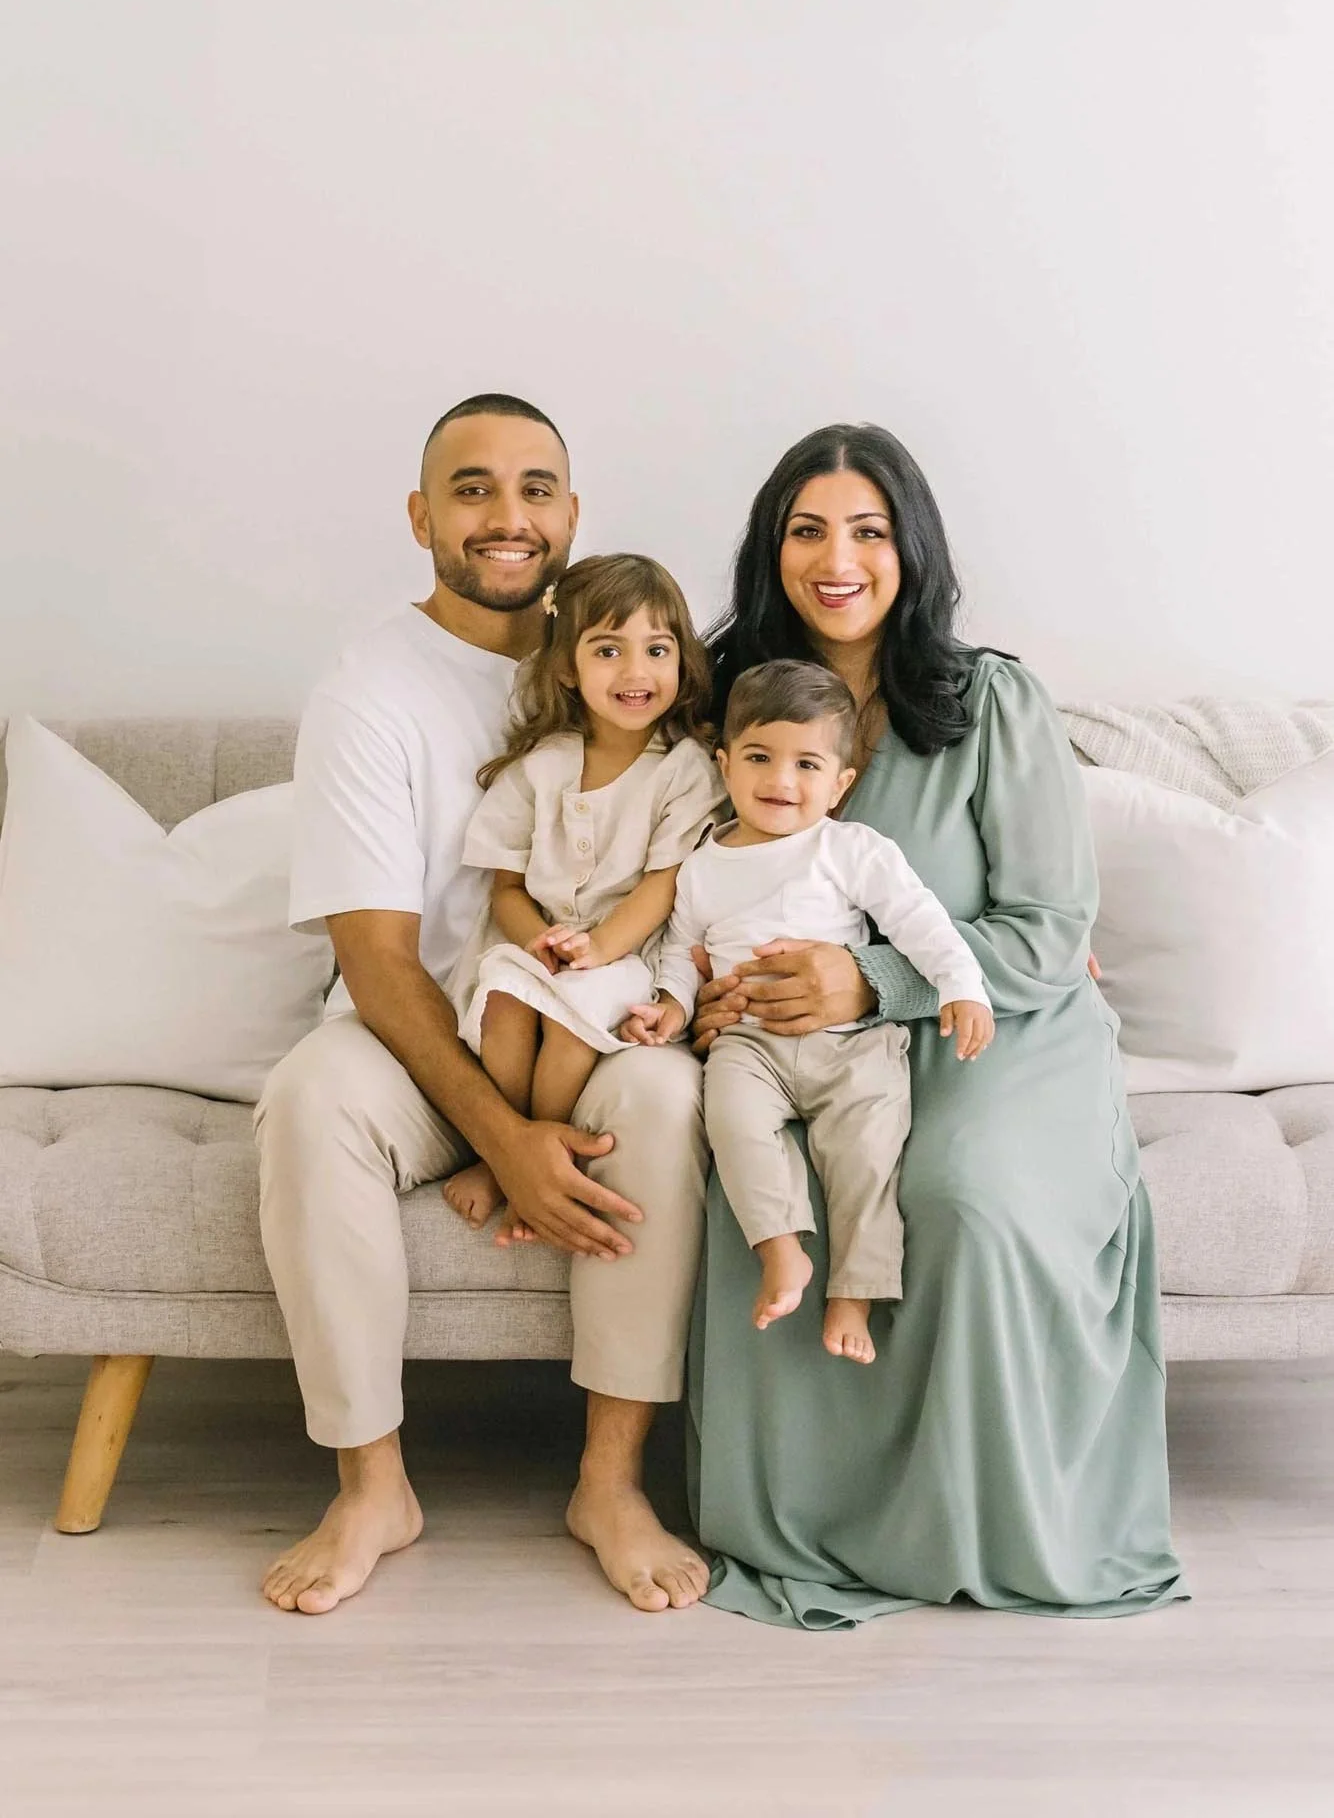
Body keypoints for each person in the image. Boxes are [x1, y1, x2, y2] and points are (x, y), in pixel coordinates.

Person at [687, 422, 1188, 1626]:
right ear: (771, 548)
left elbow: (1049, 923)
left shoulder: (989, 700)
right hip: (791, 1042)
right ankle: (808, 1519)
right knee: (766, 1182)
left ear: (910, 547)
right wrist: (700, 988)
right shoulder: (727, 699)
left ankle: (979, 1520)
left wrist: (871, 981)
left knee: (961, 1193)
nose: (837, 557)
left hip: (993, 1020)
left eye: (867, 529)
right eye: (806, 528)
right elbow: (674, 875)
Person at [254, 396, 712, 1616]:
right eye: (471, 489)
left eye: (534, 488)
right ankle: (370, 1487)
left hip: (592, 1019)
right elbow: (374, 955)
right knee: (309, 1096)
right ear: (420, 516)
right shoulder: (370, 690)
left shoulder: (627, 652)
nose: (506, 517)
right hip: (427, 1033)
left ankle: (608, 1482)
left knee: (665, 1097)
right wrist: (501, 1137)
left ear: (570, 513)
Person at [625, 657, 993, 1365]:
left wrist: (962, 986)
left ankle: (853, 1290)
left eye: (806, 764)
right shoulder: (703, 863)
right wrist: (669, 1007)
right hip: (748, 1046)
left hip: (851, 1043)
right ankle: (781, 1249)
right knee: (731, 1126)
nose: (781, 782)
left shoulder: (849, 850)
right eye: (760, 758)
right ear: (725, 765)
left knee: (868, 1154)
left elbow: (921, 923)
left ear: (841, 784)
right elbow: (680, 948)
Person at [441, 552, 724, 1233]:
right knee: (507, 1002)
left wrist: (596, 950)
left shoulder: (683, 769)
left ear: (681, 662)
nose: (636, 672)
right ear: (568, 666)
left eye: (657, 649)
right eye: (608, 650)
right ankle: (502, 1145)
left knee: (568, 1029)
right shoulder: (542, 768)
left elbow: (665, 883)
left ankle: (541, 1155)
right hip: (538, 944)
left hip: (625, 956)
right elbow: (504, 887)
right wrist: (535, 942)